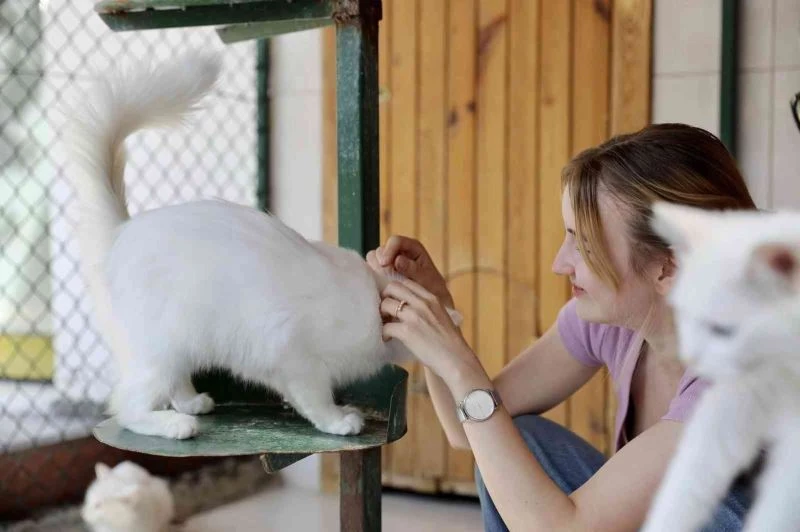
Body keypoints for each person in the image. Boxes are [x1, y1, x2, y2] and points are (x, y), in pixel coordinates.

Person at [367, 123, 757, 531]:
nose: (560, 263)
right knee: (515, 442)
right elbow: (466, 431)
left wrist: (461, 366)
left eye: (585, 244)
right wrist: (443, 317)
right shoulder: (621, 316)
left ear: (669, 267)